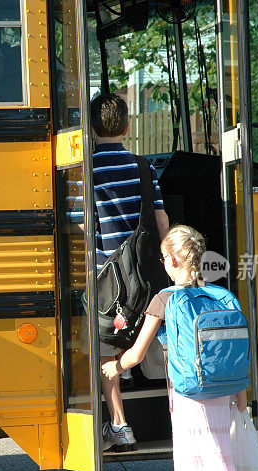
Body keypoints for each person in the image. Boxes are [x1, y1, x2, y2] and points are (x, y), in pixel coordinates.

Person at [102, 225, 247, 471]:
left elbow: (136, 355)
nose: (163, 263)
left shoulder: (164, 299)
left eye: (164, 257)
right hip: (223, 398)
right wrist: (241, 402)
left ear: (174, 261)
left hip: (189, 402)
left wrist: (115, 367)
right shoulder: (222, 296)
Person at [90, 93, 170, 452]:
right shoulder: (142, 166)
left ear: (90, 129)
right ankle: (179, 413)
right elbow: (160, 218)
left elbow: (79, 223)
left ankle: (120, 426)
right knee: (160, 338)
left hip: (106, 278)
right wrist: (168, 261)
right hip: (144, 274)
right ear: (126, 127)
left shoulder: (86, 167)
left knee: (108, 349)